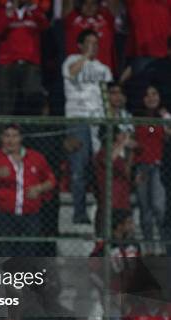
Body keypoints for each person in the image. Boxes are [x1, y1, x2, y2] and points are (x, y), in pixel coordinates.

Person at [0, 124, 56, 257]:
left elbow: (51, 181)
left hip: (30, 214)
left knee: (28, 253)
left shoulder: (36, 157)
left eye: (14, 136)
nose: (10, 140)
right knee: (5, 253)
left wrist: (39, 188)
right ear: (1, 138)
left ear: (21, 138)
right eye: (7, 136)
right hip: (4, 215)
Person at [62, 29, 112, 223]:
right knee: (79, 168)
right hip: (78, 119)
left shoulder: (103, 68)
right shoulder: (71, 61)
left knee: (100, 168)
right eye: (89, 42)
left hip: (98, 122)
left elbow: (107, 94)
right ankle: (79, 213)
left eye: (96, 43)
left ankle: (103, 213)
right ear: (80, 45)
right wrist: (85, 56)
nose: (93, 46)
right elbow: (71, 74)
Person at [133, 85, 171, 253]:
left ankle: (164, 246)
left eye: (154, 94)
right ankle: (149, 248)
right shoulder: (136, 118)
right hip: (141, 167)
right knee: (145, 209)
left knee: (159, 207)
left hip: (158, 167)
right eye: (147, 95)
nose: (151, 98)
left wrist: (165, 119)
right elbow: (132, 141)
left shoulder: (165, 116)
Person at [0, 0, 48, 115]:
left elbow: (44, 26)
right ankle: (3, 131)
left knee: (33, 99)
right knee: (5, 101)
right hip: (7, 61)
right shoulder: (3, 10)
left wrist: (33, 8)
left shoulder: (35, 11)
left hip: (31, 62)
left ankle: (33, 131)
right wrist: (9, 13)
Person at [94, 127, 134, 236]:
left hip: (123, 202)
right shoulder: (102, 153)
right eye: (121, 134)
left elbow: (127, 172)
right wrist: (122, 144)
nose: (124, 137)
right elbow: (108, 161)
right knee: (107, 236)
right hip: (109, 203)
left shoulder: (120, 156)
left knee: (126, 237)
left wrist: (131, 153)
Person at [63, 0, 115, 71]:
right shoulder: (72, 20)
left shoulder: (106, 19)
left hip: (102, 74)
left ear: (98, 6)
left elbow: (113, 4)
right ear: (80, 5)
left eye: (93, 3)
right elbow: (68, 3)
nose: (89, 7)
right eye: (85, 3)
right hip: (79, 74)